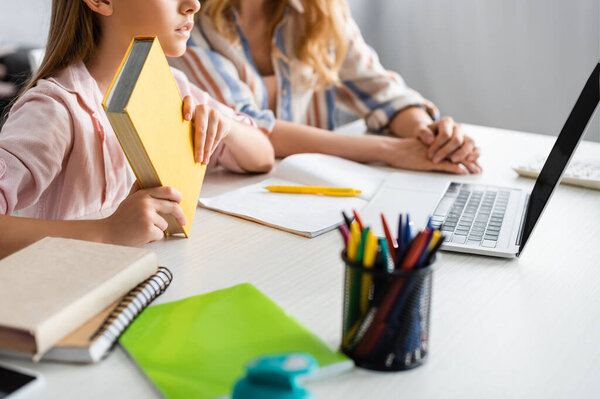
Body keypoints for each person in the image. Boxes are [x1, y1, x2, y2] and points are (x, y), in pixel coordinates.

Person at [0, 0, 275, 259]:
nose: (194, 4)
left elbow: (263, 156)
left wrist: (226, 129)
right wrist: (106, 232)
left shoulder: (173, 87)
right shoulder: (54, 111)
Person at [170, 0, 482, 175]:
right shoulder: (186, 20)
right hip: (231, 195)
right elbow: (248, 127)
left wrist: (430, 138)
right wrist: (392, 151)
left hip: (318, 189)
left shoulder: (321, 10)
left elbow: (382, 94)